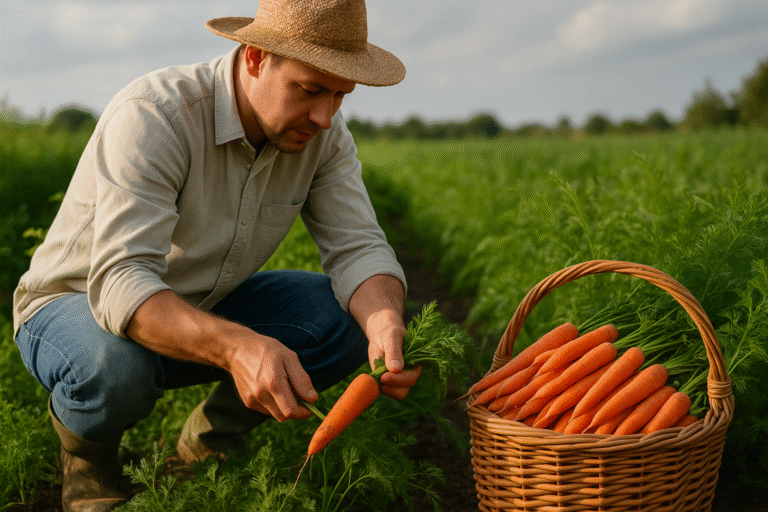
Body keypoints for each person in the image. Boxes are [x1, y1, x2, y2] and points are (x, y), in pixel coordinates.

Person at [12, 1, 420, 510]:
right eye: (311, 89)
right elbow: (121, 281)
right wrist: (239, 348)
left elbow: (359, 246)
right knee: (113, 365)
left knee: (344, 319)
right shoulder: (157, 114)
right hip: (78, 308)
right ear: (254, 57)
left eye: (340, 95)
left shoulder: (323, 137)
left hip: (199, 305)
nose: (324, 115)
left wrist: (385, 324)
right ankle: (89, 462)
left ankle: (203, 448)